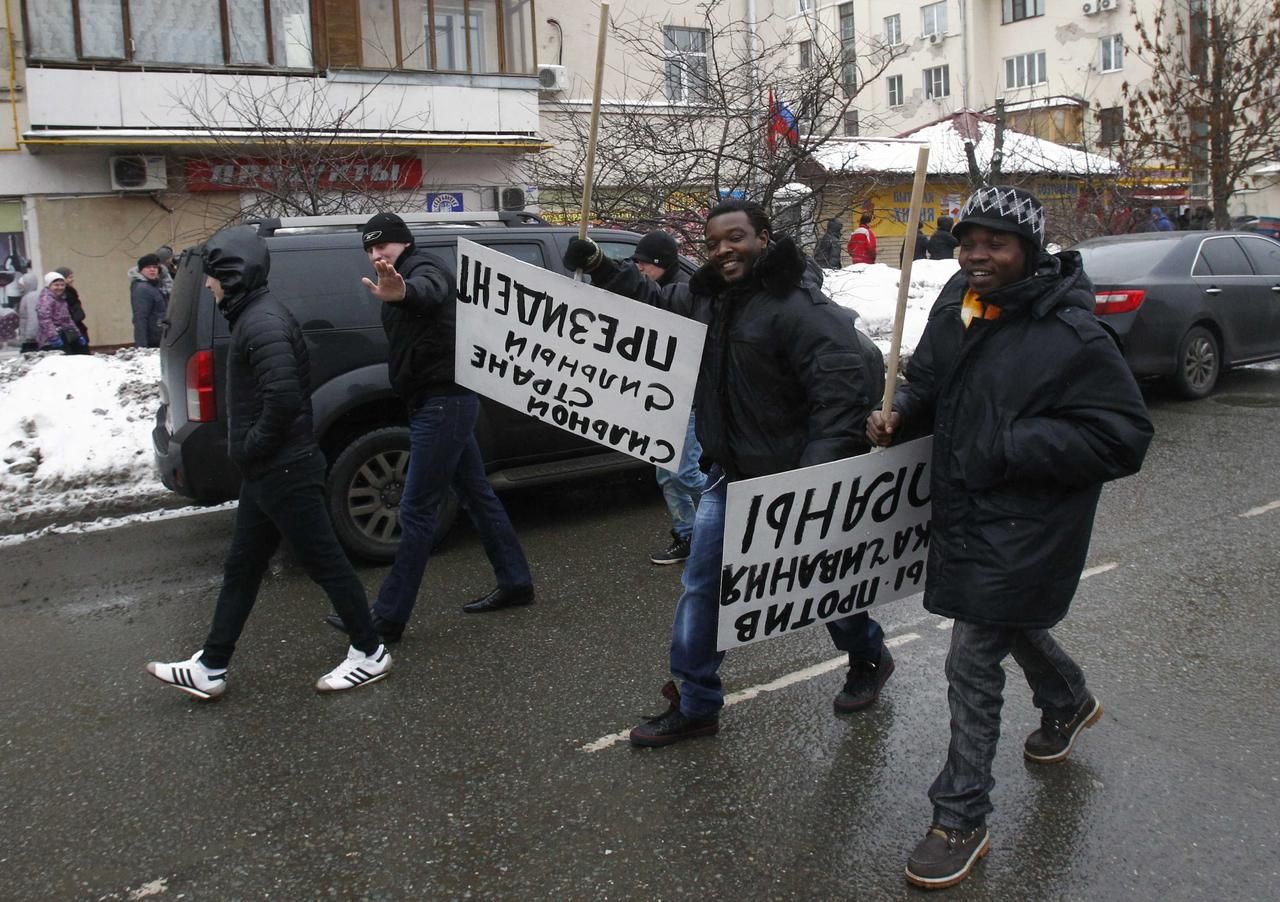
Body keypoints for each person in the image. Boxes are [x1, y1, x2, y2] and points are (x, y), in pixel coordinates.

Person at [865, 185, 1153, 890]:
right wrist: (900, 409)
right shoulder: (957, 305)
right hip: (966, 511)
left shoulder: (1072, 334)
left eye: (994, 242)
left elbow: (1124, 437)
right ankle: (1068, 700)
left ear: (1028, 249)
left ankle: (959, 816)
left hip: (1031, 523)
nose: (976, 254)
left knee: (971, 657)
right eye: (968, 241)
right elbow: (928, 377)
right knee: (1003, 621)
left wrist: (1009, 443)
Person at [564, 199, 892, 748]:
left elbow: (840, 395)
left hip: (792, 484)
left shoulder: (799, 306)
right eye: (713, 243)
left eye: (735, 238)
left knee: (822, 585)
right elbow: (655, 299)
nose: (723, 251)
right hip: (727, 477)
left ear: (763, 236)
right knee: (704, 589)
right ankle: (696, 704)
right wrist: (599, 265)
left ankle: (867, 656)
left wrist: (814, 478)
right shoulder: (708, 298)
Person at [146, 225, 391, 699]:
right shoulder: (253, 316)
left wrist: (251, 446)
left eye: (213, 278)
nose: (209, 286)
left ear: (233, 276)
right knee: (242, 566)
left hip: (284, 468)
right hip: (270, 470)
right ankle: (211, 666)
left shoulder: (262, 322)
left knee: (326, 562)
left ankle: (370, 651)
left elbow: (282, 397)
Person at [324, 212, 534, 644]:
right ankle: (515, 582)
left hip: (444, 404)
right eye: (369, 248)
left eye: (382, 244)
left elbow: (430, 294)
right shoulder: (398, 276)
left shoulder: (425, 269)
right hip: (436, 403)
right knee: (477, 495)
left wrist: (404, 295)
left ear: (404, 241)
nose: (376, 253)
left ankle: (387, 618)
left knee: (416, 510)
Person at [629, 231, 706, 565]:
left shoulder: (689, 293)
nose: (639, 268)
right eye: (637, 261)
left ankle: (732, 522)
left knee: (685, 473)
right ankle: (686, 535)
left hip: (689, 395)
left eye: (645, 262)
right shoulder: (650, 289)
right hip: (662, 393)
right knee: (666, 474)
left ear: (661, 262)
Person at [36, 272, 87, 353]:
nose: (60, 287)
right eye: (56, 285)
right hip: (50, 341)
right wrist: (53, 337)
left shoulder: (61, 299)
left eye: (62, 285)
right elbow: (45, 320)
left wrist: (78, 335)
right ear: (49, 286)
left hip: (64, 336)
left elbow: (67, 319)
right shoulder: (46, 300)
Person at [130, 253, 167, 347]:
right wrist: (142, 347)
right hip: (153, 341)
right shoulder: (142, 288)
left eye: (155, 267)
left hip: (160, 338)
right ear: (141, 270)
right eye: (148, 267)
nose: (152, 269)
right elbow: (140, 318)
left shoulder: (155, 286)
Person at [54, 266, 89, 345]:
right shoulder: (65, 294)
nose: (72, 279)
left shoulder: (70, 292)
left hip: (75, 327)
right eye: (69, 277)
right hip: (71, 329)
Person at [16, 271, 39, 352]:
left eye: (23, 285)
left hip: (31, 339)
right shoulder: (27, 296)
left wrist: (30, 336)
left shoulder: (31, 297)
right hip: (29, 337)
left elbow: (33, 317)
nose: (20, 287)